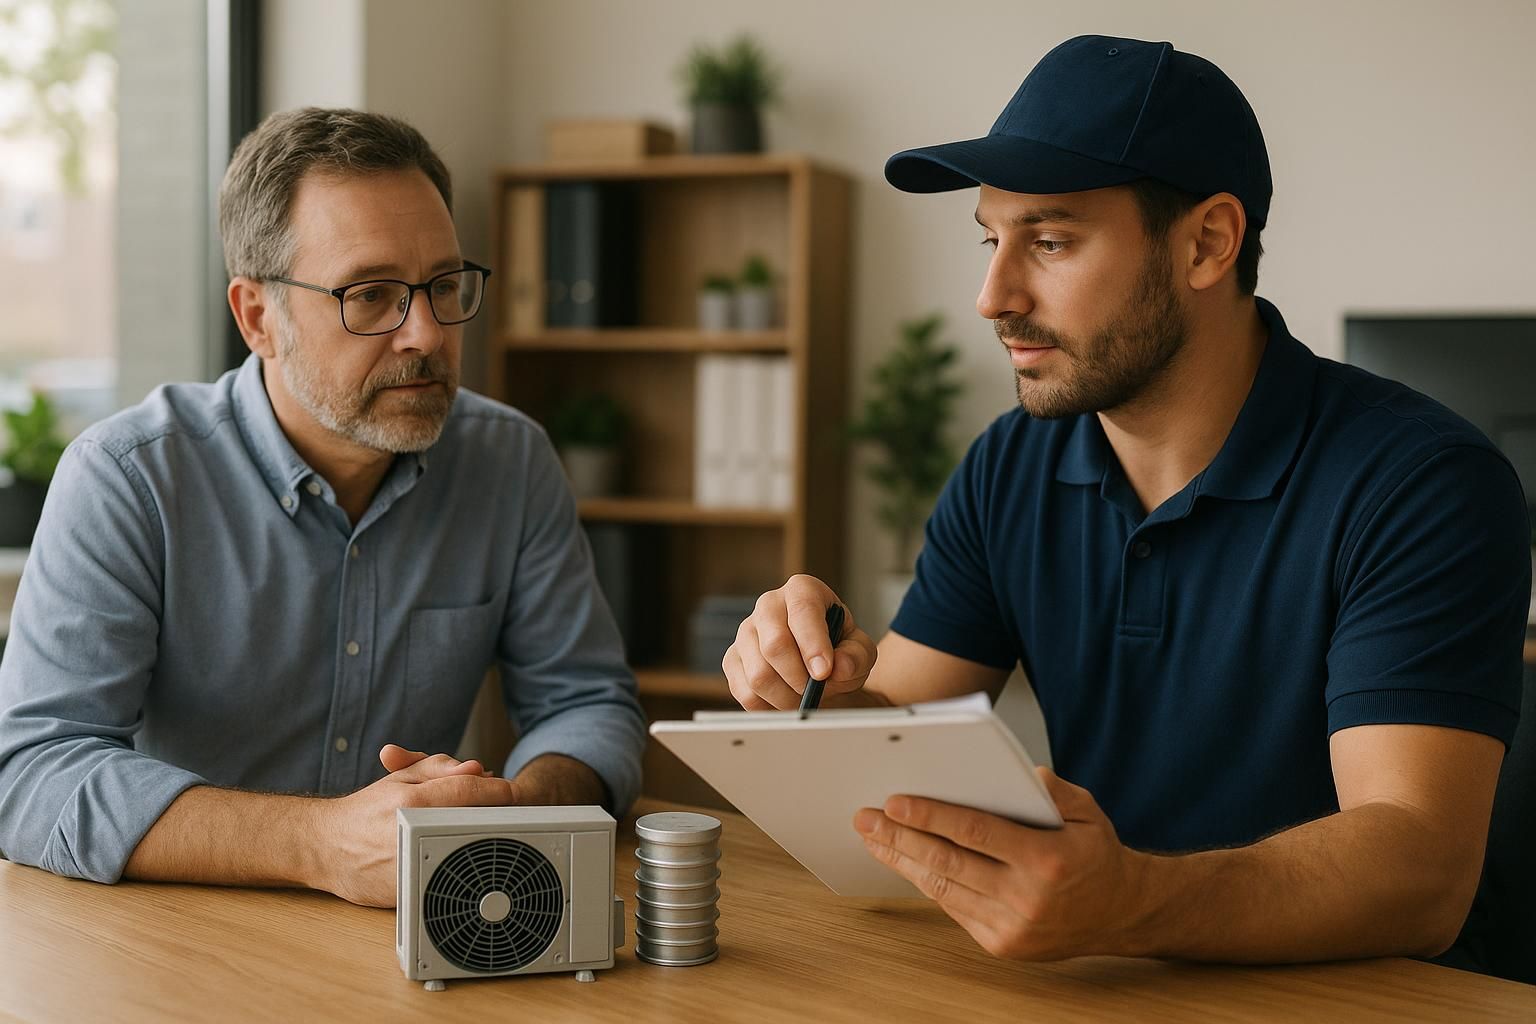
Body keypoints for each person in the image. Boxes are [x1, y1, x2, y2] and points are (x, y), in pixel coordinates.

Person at [724, 36, 1528, 973]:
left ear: (1207, 243)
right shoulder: (1011, 464)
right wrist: (817, 686)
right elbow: (906, 718)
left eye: (1051, 240)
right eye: (992, 239)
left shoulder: (1421, 481)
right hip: (1111, 983)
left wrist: (1131, 902)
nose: (992, 296)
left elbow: (1421, 869)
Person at [0, 108, 646, 908]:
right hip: (173, 943)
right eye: (372, 295)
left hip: (416, 933)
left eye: (445, 287)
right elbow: (33, 772)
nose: (426, 334)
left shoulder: (508, 461)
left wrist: (515, 811)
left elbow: (584, 703)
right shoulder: (127, 479)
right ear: (257, 318)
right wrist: (321, 844)